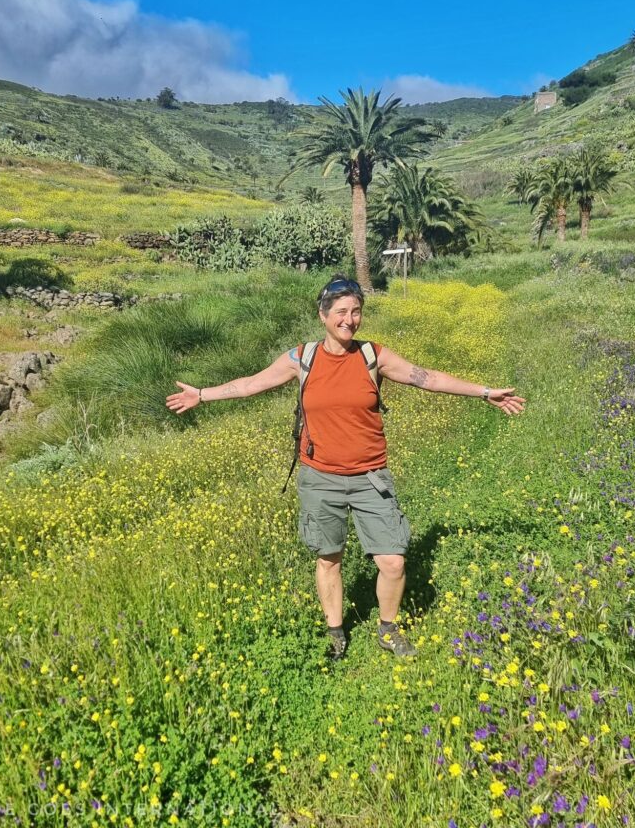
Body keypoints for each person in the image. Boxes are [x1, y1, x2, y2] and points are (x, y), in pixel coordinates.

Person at [166, 274, 525, 660]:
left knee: (393, 560)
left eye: (356, 311)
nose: (349, 320)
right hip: (320, 477)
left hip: (371, 476)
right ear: (323, 316)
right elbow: (252, 384)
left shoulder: (373, 356)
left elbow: (428, 378)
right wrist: (202, 395)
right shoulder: (301, 358)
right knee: (328, 558)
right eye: (341, 312)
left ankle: (388, 630)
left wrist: (484, 392)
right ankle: (335, 633)